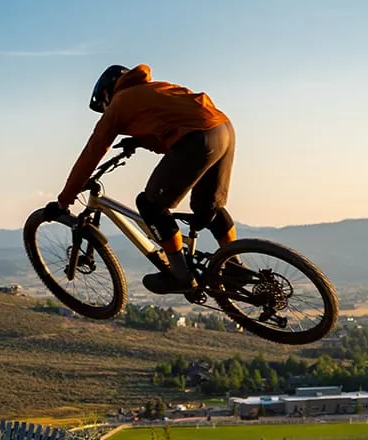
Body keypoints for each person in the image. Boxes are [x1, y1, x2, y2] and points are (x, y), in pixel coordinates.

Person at [46, 63, 238, 294]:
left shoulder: (120, 102)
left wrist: (64, 200)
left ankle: (180, 275)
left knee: (150, 205)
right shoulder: (155, 89)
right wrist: (141, 141)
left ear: (107, 93)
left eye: (103, 106)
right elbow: (173, 128)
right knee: (208, 207)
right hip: (223, 129)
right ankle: (235, 266)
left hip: (199, 139)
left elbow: (92, 152)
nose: (105, 111)